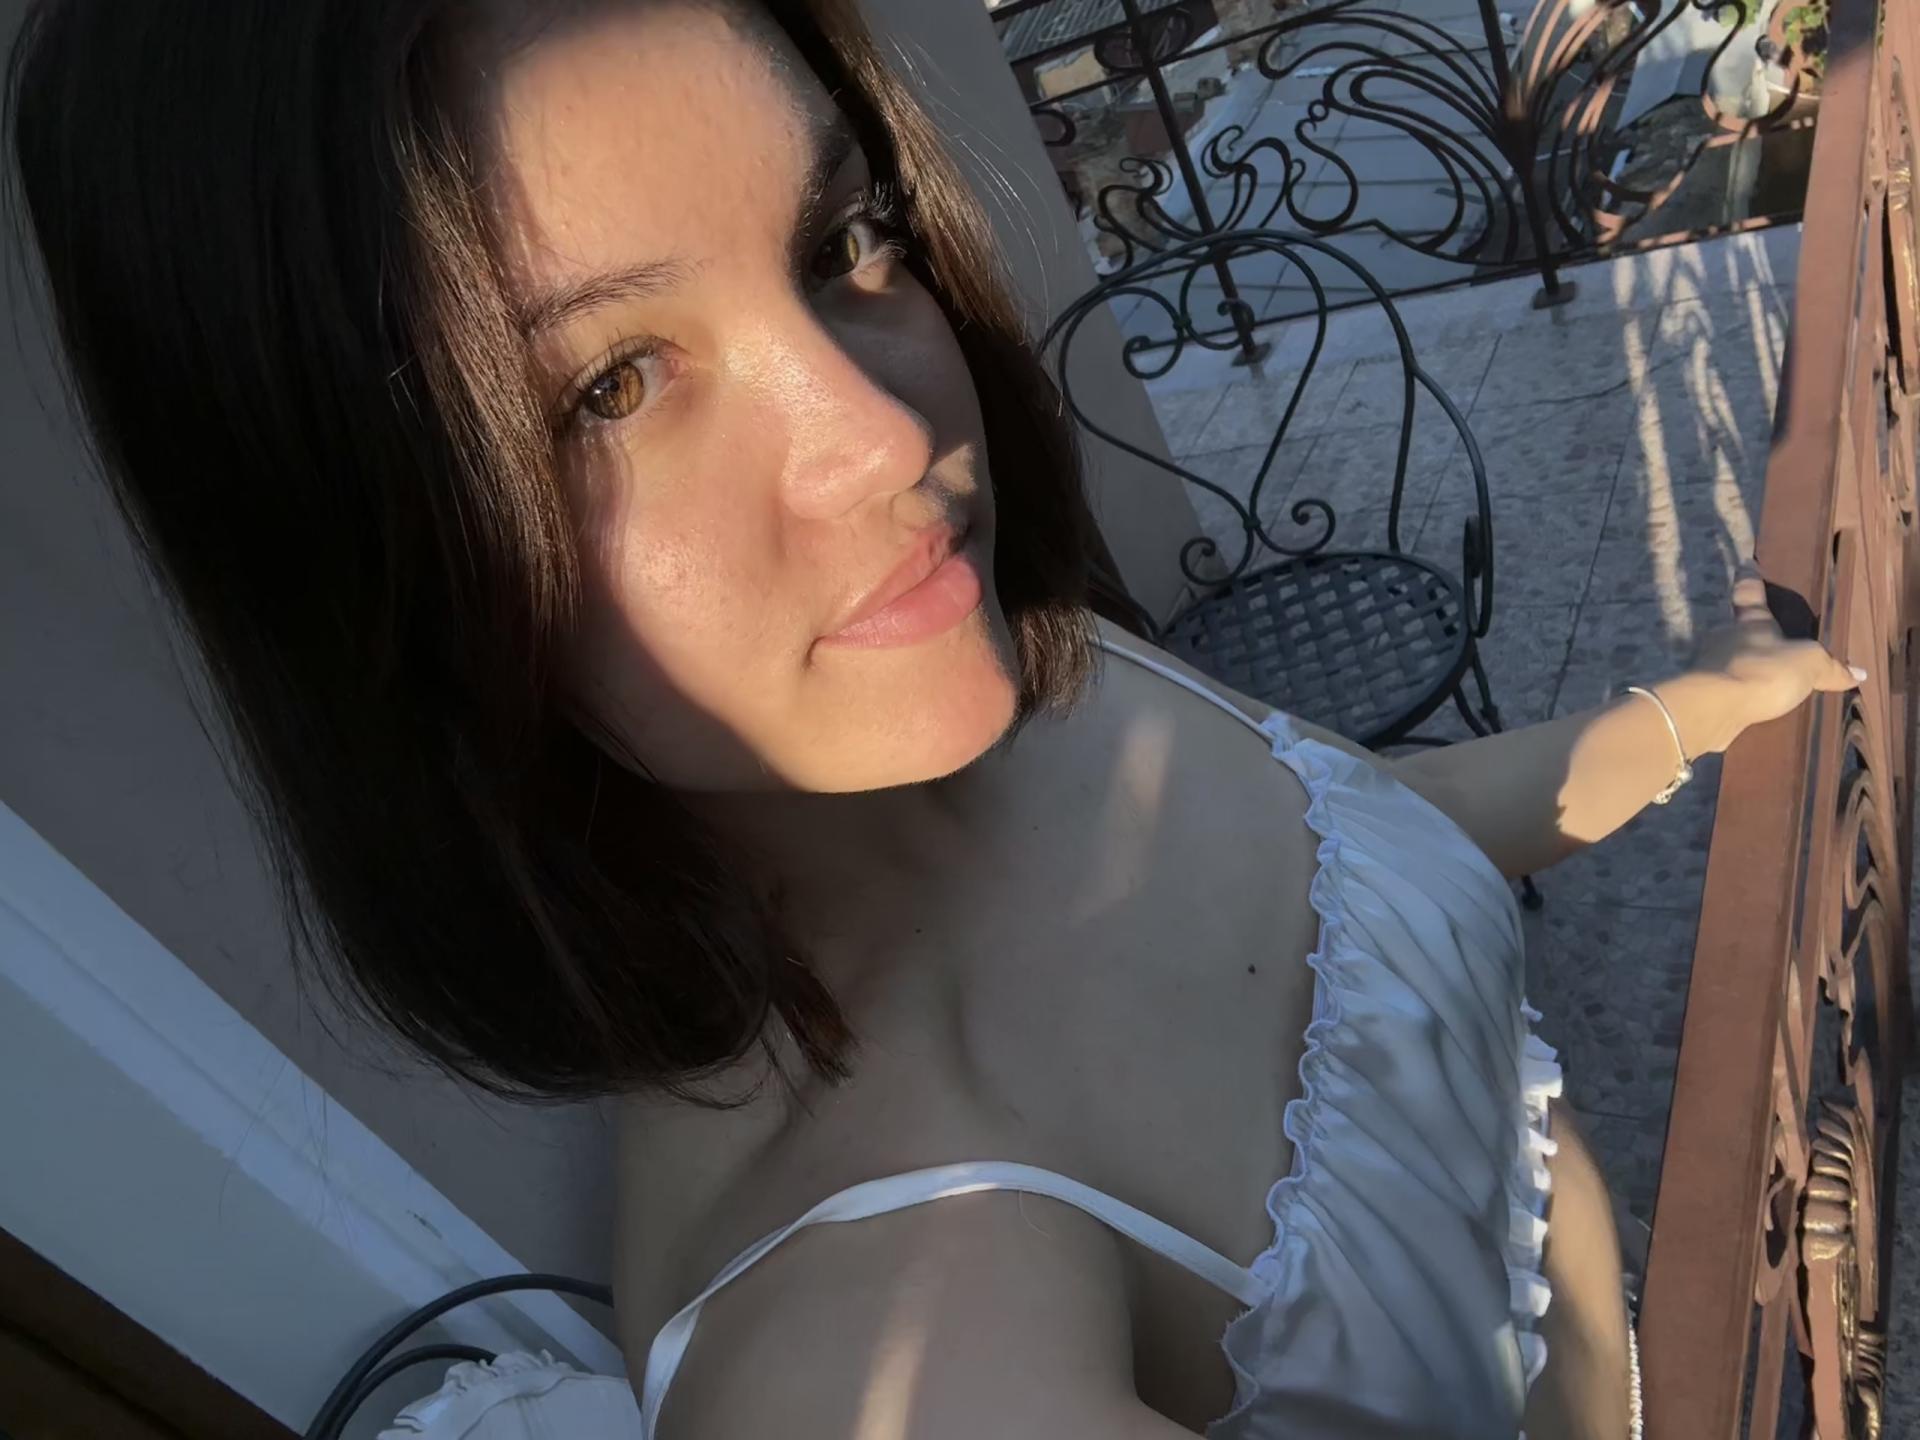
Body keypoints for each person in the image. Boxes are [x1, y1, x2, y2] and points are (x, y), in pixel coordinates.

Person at [6, 2, 1857, 1436]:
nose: (888, 439)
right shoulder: (887, 1335)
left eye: (842, 238)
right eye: (614, 386)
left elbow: (1353, 879)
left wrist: (1683, 718)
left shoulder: (1008, 682)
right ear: (368, 571)